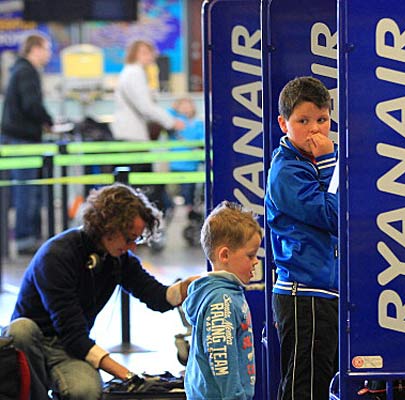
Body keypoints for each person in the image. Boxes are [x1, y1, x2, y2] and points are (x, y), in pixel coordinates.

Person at [1, 183, 200, 400]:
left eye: (137, 239)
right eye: (129, 238)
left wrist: (186, 288)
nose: (133, 246)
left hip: (69, 348)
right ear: (109, 227)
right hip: (35, 343)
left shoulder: (117, 258)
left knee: (86, 392)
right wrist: (128, 376)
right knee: (21, 329)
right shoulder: (57, 256)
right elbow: (72, 333)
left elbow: (156, 297)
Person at [265, 76, 339, 400]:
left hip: (325, 292)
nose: (315, 130)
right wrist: (328, 162)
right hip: (303, 295)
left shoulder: (314, 164)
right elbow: (334, 216)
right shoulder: (286, 171)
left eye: (322, 120)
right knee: (304, 389)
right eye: (303, 121)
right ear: (283, 123)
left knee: (322, 385)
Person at [183, 200, 262, 399]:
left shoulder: (227, 293)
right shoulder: (221, 300)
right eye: (250, 256)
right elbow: (222, 360)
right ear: (225, 255)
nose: (256, 262)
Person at [0, 32, 54, 255]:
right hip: (22, 139)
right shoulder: (27, 72)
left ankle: (27, 237)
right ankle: (25, 239)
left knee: (25, 188)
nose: (49, 54)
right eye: (47, 48)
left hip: (16, 137)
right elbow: (31, 104)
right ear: (36, 48)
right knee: (26, 189)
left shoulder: (19, 70)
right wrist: (48, 121)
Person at [110, 39, 184, 141]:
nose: (150, 56)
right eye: (145, 53)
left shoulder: (131, 71)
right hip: (132, 134)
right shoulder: (135, 73)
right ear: (133, 54)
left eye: (151, 52)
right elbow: (145, 106)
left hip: (127, 131)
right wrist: (171, 122)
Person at [167, 96, 205, 212]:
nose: (185, 109)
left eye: (188, 106)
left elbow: (203, 140)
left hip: (191, 166)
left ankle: (189, 213)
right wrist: (174, 107)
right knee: (174, 193)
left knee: (189, 193)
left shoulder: (197, 124)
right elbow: (166, 113)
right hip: (175, 164)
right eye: (182, 106)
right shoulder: (174, 122)